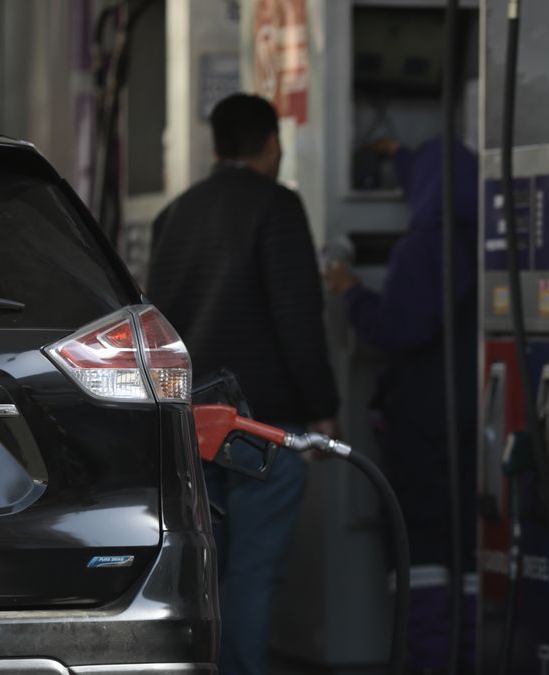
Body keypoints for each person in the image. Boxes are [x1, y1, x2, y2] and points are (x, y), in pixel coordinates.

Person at [147, 93, 340, 675]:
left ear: (215, 146)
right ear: (271, 144)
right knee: (255, 568)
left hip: (188, 421)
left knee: (203, 568)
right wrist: (323, 407)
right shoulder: (276, 207)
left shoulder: (174, 215)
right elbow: (297, 316)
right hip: (260, 423)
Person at [323, 138, 479, 674]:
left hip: (423, 424)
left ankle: (430, 659)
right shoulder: (488, 244)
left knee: (424, 549)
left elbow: (399, 328)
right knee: (469, 549)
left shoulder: (424, 249)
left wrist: (351, 293)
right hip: (475, 423)